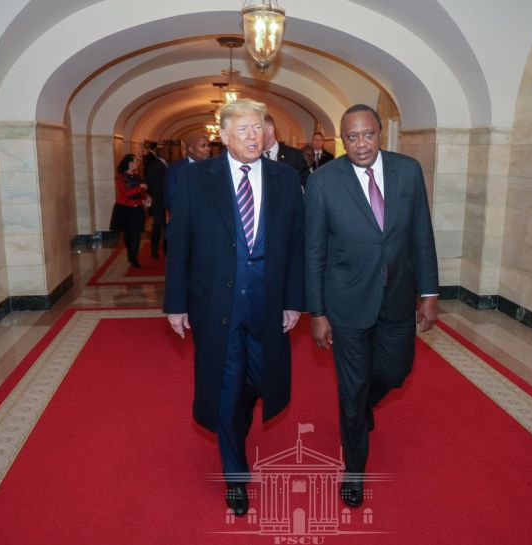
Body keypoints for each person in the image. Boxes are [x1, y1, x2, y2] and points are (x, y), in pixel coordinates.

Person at [164, 99, 305, 517]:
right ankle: (235, 475)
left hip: (269, 304)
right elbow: (180, 245)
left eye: (257, 128)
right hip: (216, 307)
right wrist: (175, 304)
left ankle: (241, 412)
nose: (251, 136)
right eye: (241, 130)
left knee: (261, 381)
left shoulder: (284, 177)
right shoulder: (195, 180)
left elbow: (297, 243)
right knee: (225, 390)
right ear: (222, 136)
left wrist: (295, 300)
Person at [304, 104, 439, 508]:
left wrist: (429, 293)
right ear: (340, 140)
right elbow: (314, 251)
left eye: (368, 134)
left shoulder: (408, 171)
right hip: (345, 302)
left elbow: (421, 233)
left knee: (397, 372)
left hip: (397, 295)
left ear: (381, 134)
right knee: (352, 385)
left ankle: (362, 407)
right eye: (351, 137)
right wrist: (317, 312)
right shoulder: (324, 181)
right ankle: (355, 469)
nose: (360, 144)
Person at [109, 154, 149, 267]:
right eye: (136, 161)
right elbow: (126, 193)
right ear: (130, 163)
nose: (138, 163)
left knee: (136, 234)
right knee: (127, 235)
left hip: (137, 209)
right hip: (124, 209)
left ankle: (133, 258)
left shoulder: (138, 177)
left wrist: (145, 199)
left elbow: (143, 193)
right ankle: (131, 253)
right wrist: (140, 187)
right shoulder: (120, 178)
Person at [164, 132, 211, 211]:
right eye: (203, 146)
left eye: (208, 145)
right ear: (191, 149)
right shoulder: (176, 169)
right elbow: (169, 199)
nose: (208, 149)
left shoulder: (214, 166)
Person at [262, 114, 310, 188]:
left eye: (258, 129)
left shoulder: (294, 155)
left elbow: (307, 185)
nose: (253, 135)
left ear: (270, 130)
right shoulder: (254, 157)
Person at [144, 143, 168, 258]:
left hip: (164, 199)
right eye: (166, 152)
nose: (168, 153)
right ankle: (154, 251)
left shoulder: (162, 163)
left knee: (164, 225)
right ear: (161, 153)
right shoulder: (155, 165)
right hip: (159, 199)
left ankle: (165, 249)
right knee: (158, 226)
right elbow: (151, 183)